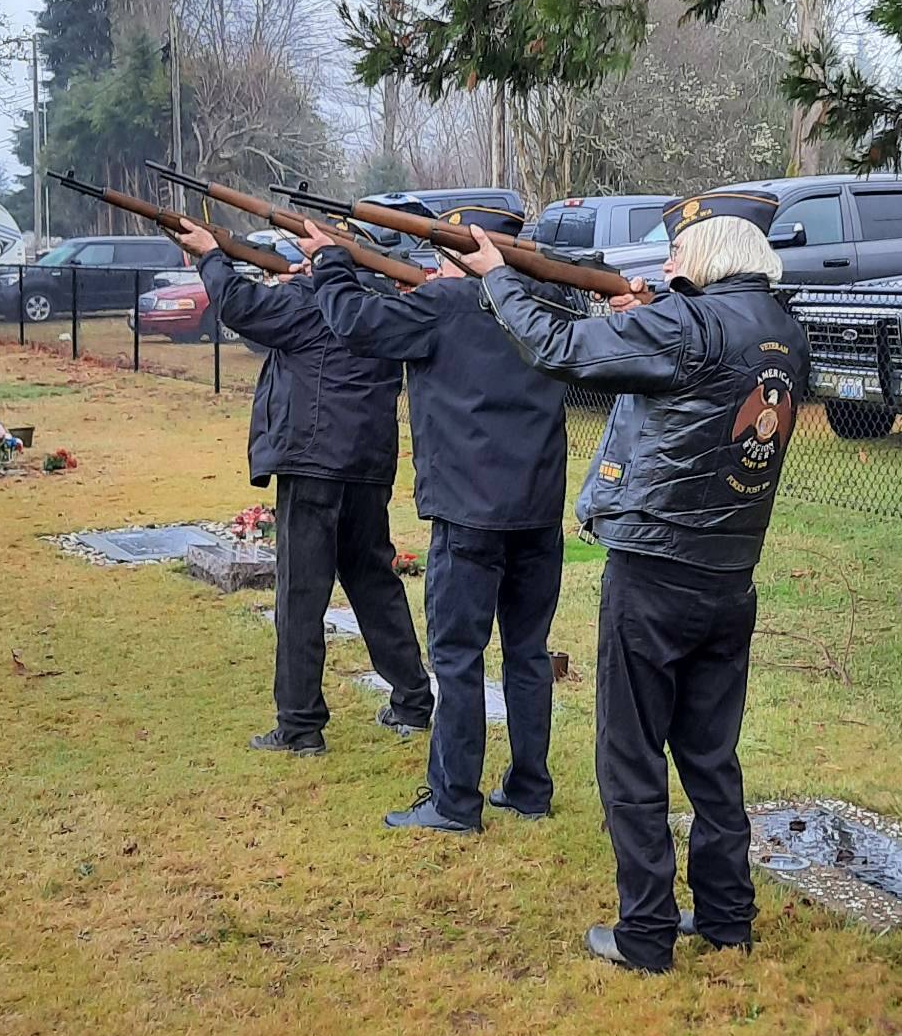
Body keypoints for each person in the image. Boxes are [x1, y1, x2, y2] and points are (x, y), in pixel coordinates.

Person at [471, 191, 809, 972]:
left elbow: (560, 348)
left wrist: (497, 277)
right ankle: (727, 916)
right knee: (710, 755)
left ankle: (646, 932)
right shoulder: (783, 330)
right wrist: (652, 311)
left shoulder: (686, 326)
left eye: (679, 251)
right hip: (731, 572)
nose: (666, 263)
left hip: (655, 568)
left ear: (715, 251)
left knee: (629, 754)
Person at [299, 205, 577, 833]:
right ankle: (530, 787)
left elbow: (351, 320)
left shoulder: (446, 307)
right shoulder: (548, 304)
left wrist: (333, 260)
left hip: (467, 513)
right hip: (537, 509)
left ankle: (454, 800)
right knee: (527, 652)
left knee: (456, 657)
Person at [175, 220, 434, 755]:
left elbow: (242, 309)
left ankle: (299, 726)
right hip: (367, 463)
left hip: (314, 462)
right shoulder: (378, 301)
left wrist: (209, 255)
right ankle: (412, 698)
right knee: (373, 582)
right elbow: (260, 326)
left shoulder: (312, 298)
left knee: (299, 594)